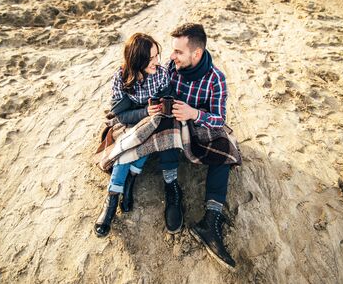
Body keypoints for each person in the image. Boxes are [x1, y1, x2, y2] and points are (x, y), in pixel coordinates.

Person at [159, 23, 236, 269]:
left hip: (197, 123)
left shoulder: (216, 79)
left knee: (225, 147)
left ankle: (210, 221)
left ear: (197, 54)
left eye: (178, 52)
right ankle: (172, 189)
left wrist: (194, 113)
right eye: (173, 51)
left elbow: (219, 119)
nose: (172, 57)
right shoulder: (171, 68)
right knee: (166, 123)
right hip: (173, 125)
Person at [94, 33, 167, 237]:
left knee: (146, 136)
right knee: (126, 146)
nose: (157, 62)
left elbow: (165, 101)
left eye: (157, 56)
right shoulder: (121, 77)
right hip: (127, 122)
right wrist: (145, 112)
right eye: (151, 58)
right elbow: (120, 114)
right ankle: (111, 200)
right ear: (137, 59)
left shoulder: (161, 74)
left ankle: (130, 181)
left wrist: (158, 109)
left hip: (150, 123)